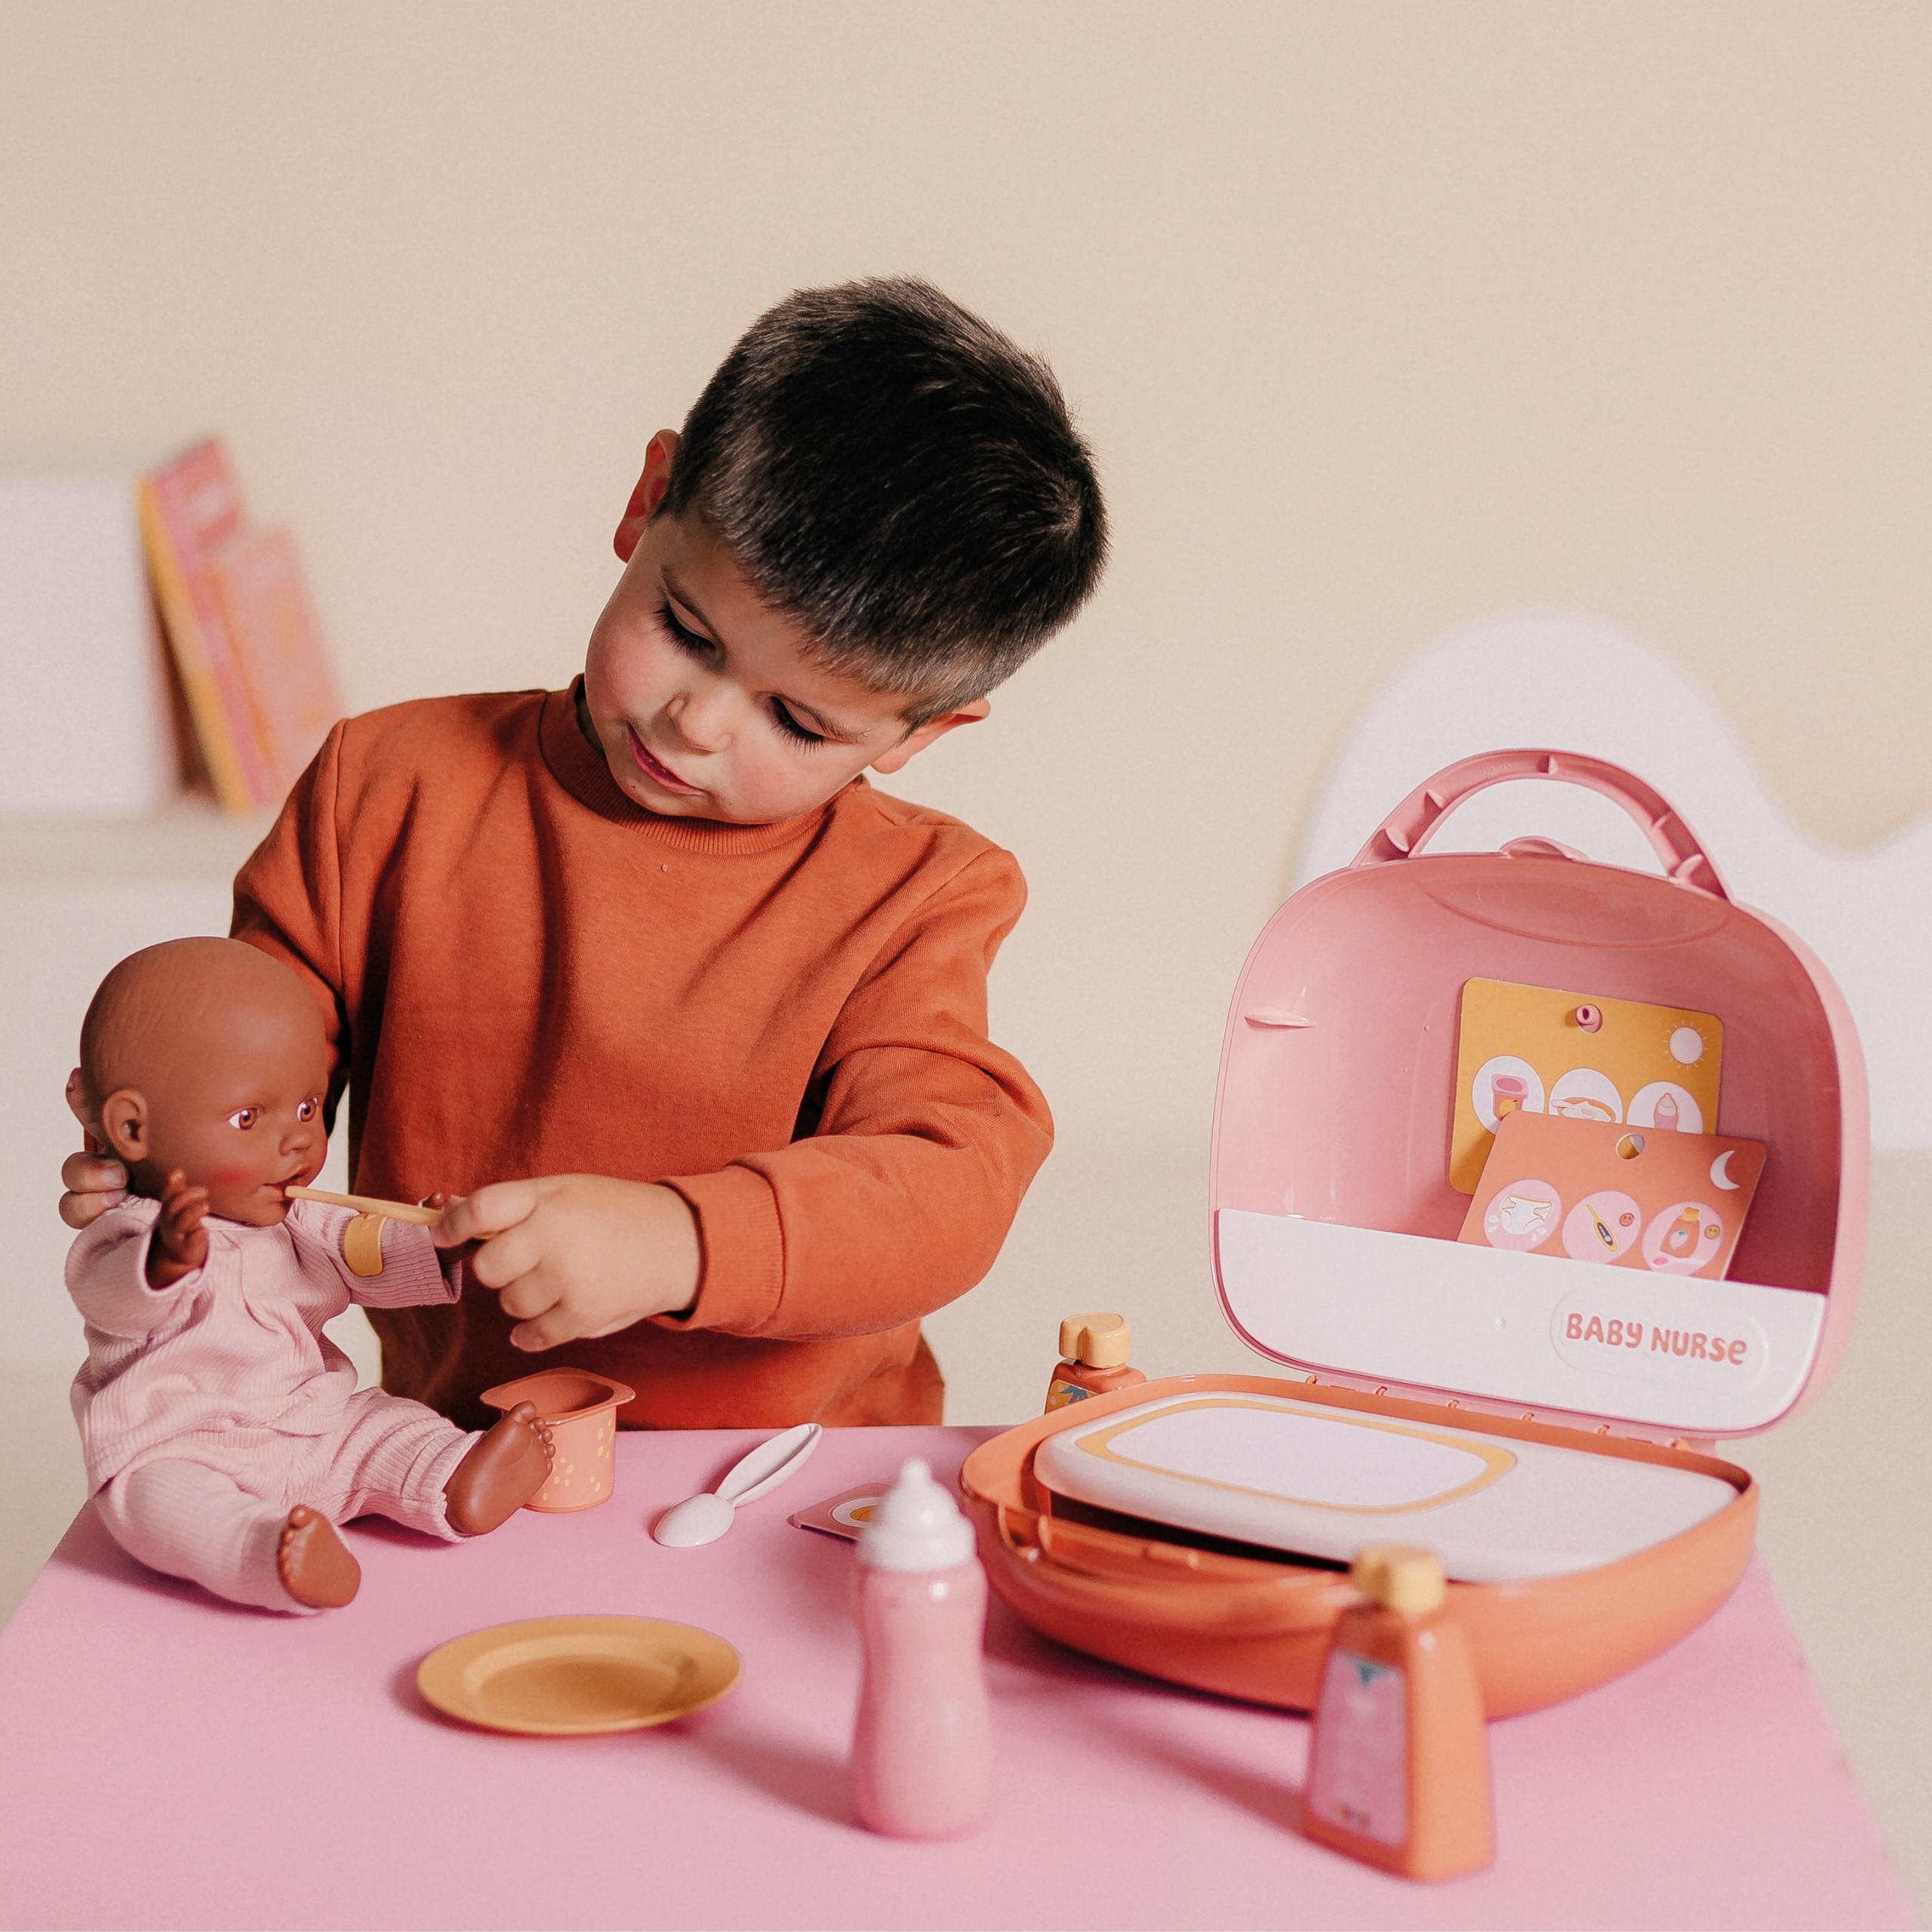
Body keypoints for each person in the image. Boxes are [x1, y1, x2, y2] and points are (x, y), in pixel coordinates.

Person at [63, 278, 1107, 1432]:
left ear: (921, 733)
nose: (697, 724)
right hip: (455, 1445)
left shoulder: (920, 896)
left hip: (792, 1466)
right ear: (648, 500)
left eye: (798, 723)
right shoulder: (387, 787)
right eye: (686, 633)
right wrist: (178, 1141)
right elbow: (249, 1050)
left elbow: (947, 1184)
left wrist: (681, 1241)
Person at [67, 938, 555, 1612]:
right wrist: (164, 1261)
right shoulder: (129, 1232)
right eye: (248, 1117)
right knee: (157, 1503)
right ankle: (267, 1549)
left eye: (308, 1108)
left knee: (383, 1426)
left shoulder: (296, 1218)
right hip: (186, 1448)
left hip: (313, 1426)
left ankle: (453, 1476)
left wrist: (440, 1240)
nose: (298, 1139)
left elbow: (364, 1254)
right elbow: (108, 1298)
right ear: (131, 1128)